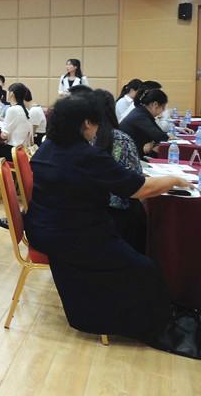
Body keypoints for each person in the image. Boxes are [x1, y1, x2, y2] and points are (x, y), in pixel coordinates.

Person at [24, 94, 199, 359]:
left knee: (130, 253)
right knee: (144, 268)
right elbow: (139, 190)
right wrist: (174, 179)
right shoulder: (86, 155)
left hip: (42, 227)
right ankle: (143, 323)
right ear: (86, 123)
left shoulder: (47, 148)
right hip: (72, 234)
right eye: (96, 123)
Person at [90, 89, 147, 254]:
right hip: (120, 215)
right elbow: (136, 182)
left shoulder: (81, 139)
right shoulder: (122, 139)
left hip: (87, 213)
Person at [0, 83, 31, 186]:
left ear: (11, 94)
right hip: (21, 150)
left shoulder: (12, 110)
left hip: (12, 151)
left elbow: (4, 136)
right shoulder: (24, 109)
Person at [119, 87, 170, 157]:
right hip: (127, 156)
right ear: (155, 104)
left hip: (134, 151)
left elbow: (160, 134)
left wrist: (152, 143)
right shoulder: (140, 116)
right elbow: (162, 137)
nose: (163, 111)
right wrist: (153, 143)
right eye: (163, 107)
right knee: (160, 149)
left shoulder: (142, 112)